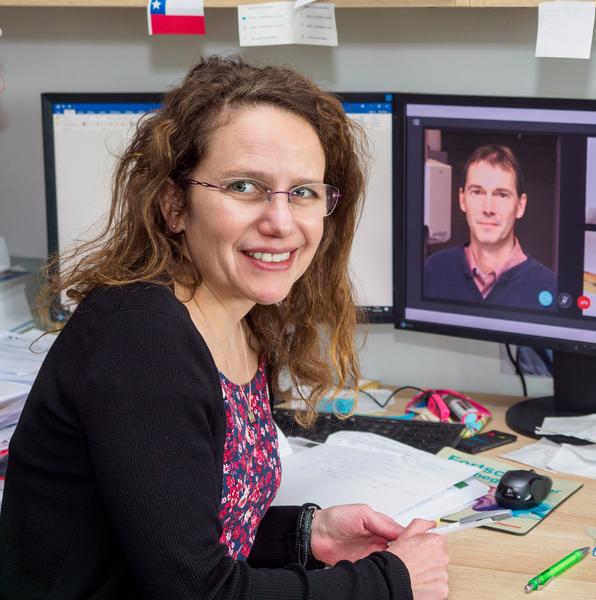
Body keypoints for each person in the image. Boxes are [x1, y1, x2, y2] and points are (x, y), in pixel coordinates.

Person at [0, 56, 448, 600]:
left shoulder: (243, 322)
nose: (281, 222)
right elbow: (198, 593)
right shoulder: (145, 338)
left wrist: (307, 535)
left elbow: (184, 536)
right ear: (174, 205)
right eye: (244, 186)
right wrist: (391, 581)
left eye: (303, 191)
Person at [424, 145, 556, 309]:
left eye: (501, 195)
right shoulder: (432, 271)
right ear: (462, 199)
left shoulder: (550, 288)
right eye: (477, 192)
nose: (488, 209)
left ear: (520, 206)